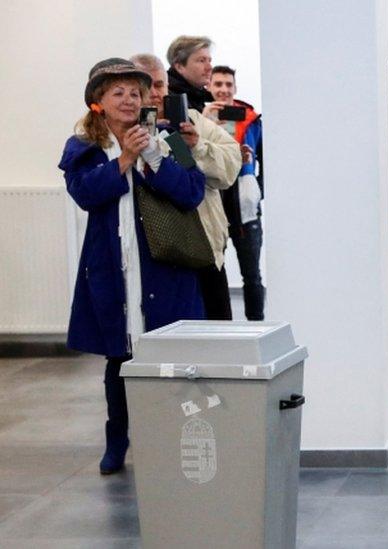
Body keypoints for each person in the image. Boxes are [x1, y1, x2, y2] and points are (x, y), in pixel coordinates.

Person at [59, 58, 206, 474]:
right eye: (117, 92)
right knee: (119, 358)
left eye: (135, 92)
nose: (128, 99)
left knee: (171, 355)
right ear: (98, 102)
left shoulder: (169, 139)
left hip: (164, 267)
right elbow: (86, 193)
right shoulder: (83, 147)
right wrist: (124, 158)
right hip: (112, 269)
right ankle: (117, 438)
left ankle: (171, 436)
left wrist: (154, 159)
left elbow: (193, 192)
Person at [132, 53, 242, 320]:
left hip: (203, 248)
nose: (154, 94)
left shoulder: (194, 121)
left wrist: (196, 146)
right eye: (144, 87)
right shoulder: (125, 128)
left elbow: (230, 168)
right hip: (154, 256)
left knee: (217, 337)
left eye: (159, 85)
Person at [207, 65, 266, 320]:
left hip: (245, 208)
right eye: (218, 84)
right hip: (211, 205)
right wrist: (206, 120)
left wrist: (257, 190)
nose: (223, 90)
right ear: (209, 86)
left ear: (235, 88)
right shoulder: (199, 119)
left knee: (252, 274)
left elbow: (268, 158)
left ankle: (257, 327)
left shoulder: (251, 120)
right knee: (212, 274)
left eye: (228, 84)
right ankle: (220, 330)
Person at [166, 35, 214, 111]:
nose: (209, 67)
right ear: (179, 67)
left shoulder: (198, 96)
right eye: (201, 60)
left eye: (209, 61)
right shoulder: (169, 101)